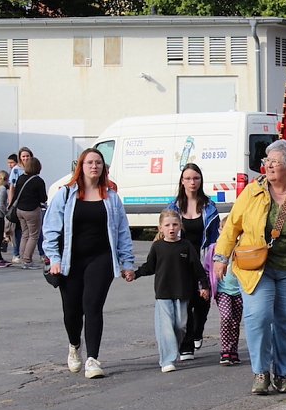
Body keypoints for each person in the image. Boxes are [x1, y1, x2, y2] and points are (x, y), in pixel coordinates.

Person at [212, 140, 286, 395]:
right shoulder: (252, 192)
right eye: (267, 161)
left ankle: (283, 374)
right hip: (257, 268)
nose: (269, 166)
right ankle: (261, 372)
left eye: (275, 162)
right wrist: (221, 258)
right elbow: (232, 226)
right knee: (258, 317)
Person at [43, 148, 136, 379]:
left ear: (104, 168)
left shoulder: (111, 197)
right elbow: (51, 228)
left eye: (98, 163)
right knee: (71, 311)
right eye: (90, 162)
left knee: (93, 306)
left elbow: (122, 232)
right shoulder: (66, 194)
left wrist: (127, 262)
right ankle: (74, 345)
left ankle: (93, 359)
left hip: (101, 259)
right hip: (70, 260)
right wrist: (54, 259)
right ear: (81, 167)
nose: (94, 166)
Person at [129, 209, 210, 373]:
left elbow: (197, 268)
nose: (171, 228)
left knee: (180, 326)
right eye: (167, 225)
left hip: (182, 293)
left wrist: (204, 286)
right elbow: (149, 266)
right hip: (163, 293)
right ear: (160, 228)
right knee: (166, 327)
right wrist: (135, 274)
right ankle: (167, 360)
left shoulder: (186, 246)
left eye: (174, 224)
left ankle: (174, 348)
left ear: (180, 226)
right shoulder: (157, 246)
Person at [168, 163, 220, 360]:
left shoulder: (209, 207)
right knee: (185, 302)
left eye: (196, 178)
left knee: (202, 303)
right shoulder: (173, 207)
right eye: (188, 178)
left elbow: (215, 237)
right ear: (182, 181)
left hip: (204, 259)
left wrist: (217, 259)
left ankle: (198, 331)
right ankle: (186, 344)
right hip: (182, 261)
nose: (192, 182)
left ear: (201, 181)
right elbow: (166, 232)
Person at [203, 217, 243, 365]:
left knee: (236, 322)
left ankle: (233, 350)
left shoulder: (241, 248)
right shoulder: (215, 248)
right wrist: (205, 286)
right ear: (220, 231)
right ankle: (225, 350)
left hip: (239, 291)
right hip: (222, 290)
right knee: (226, 318)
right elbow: (207, 269)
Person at [11, 156, 47, 269]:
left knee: (25, 234)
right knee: (34, 235)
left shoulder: (21, 178)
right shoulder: (38, 181)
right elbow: (43, 198)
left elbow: (16, 193)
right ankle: (27, 260)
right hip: (32, 210)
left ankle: (22, 258)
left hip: (20, 210)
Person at [8, 148, 33, 263]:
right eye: (23, 156)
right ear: (20, 158)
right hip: (19, 203)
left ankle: (38, 254)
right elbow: (12, 187)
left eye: (27, 156)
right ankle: (16, 253)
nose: (25, 158)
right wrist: (11, 204)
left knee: (32, 232)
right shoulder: (16, 170)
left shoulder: (32, 168)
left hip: (31, 203)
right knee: (18, 230)